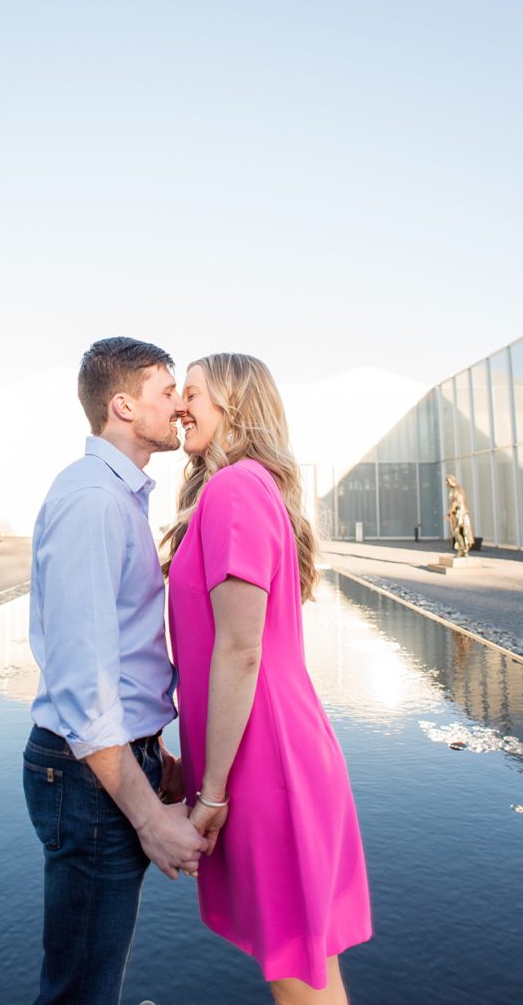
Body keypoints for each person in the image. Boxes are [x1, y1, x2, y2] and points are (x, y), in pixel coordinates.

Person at [163, 353, 372, 1005]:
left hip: (264, 763)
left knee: (298, 977)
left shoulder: (234, 489)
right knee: (307, 969)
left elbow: (239, 649)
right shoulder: (249, 488)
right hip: (269, 753)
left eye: (191, 394)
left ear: (232, 403)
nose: (178, 407)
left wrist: (214, 792)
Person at [24, 337, 206, 1005]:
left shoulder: (119, 495)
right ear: (123, 405)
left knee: (90, 980)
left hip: (111, 763)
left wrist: (156, 757)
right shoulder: (94, 502)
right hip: (86, 776)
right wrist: (150, 818)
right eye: (167, 391)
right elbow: (82, 687)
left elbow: (123, 659)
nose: (180, 407)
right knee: (81, 991)